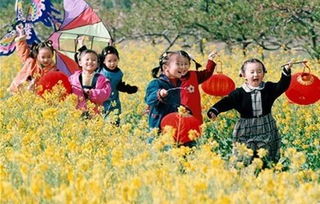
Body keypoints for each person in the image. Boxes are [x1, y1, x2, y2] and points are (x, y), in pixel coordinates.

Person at [207, 58, 292, 165]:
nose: (255, 74)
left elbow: (282, 86)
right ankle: (245, 174)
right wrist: (215, 110)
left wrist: (286, 71)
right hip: (245, 127)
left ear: (264, 73)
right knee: (244, 153)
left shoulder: (268, 88)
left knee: (266, 152)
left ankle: (265, 172)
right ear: (243, 75)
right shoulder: (239, 93)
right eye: (252, 72)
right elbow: (227, 102)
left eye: (259, 71)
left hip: (265, 125)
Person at [8, 24, 57, 94]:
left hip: (34, 95)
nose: (46, 60)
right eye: (43, 57)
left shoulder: (51, 69)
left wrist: (35, 85)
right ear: (37, 56)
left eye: (49, 57)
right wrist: (21, 34)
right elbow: (23, 50)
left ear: (52, 55)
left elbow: (48, 83)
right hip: (18, 89)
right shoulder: (30, 61)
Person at [145, 51, 185, 129]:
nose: (182, 67)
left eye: (183, 64)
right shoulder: (156, 83)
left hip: (174, 126)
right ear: (165, 67)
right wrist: (159, 94)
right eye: (178, 64)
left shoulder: (180, 84)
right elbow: (149, 99)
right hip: (158, 126)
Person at [97, 46, 138, 124]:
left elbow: (119, 86)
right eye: (109, 61)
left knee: (114, 123)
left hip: (114, 102)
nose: (112, 63)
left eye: (115, 60)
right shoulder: (100, 69)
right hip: (102, 102)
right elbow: (88, 59)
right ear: (103, 61)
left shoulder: (119, 73)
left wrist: (130, 89)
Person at [69, 49, 111, 118]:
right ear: (80, 62)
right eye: (87, 59)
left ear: (97, 64)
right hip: (76, 113)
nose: (90, 62)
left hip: (94, 114)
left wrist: (92, 93)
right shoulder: (73, 78)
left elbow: (106, 93)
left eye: (94, 60)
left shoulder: (101, 79)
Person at [180, 50, 217, 124]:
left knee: (196, 130)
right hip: (180, 112)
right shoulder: (173, 79)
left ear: (190, 64)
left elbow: (207, 73)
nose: (183, 67)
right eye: (180, 64)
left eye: (186, 64)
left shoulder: (194, 75)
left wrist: (210, 60)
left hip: (195, 111)